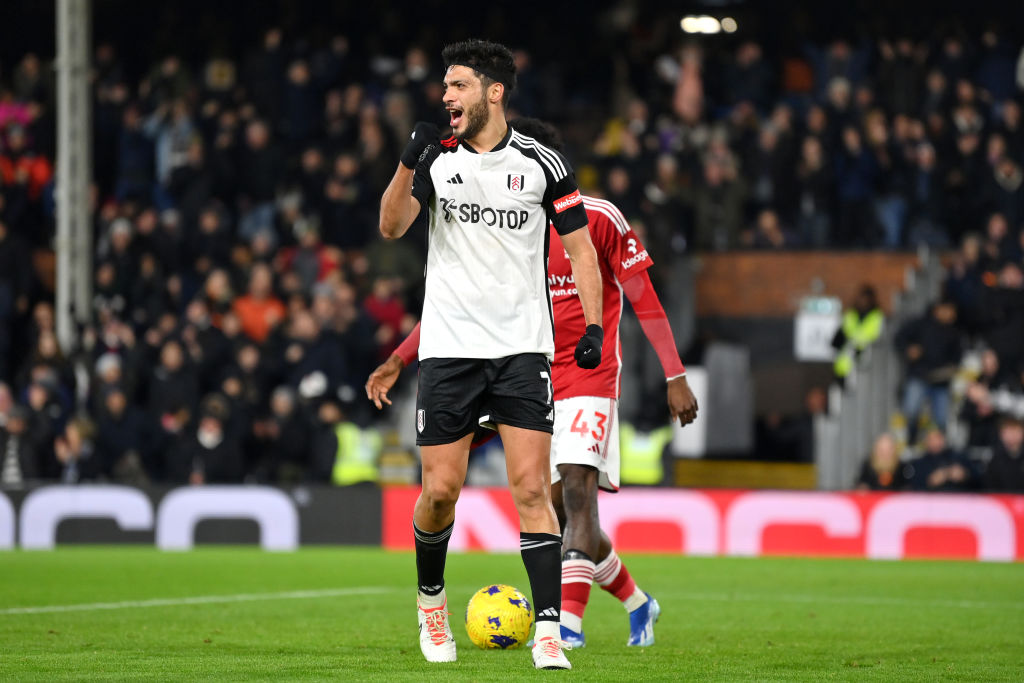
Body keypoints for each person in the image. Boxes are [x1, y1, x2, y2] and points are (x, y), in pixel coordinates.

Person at [370, 115, 696, 654]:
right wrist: (402, 358)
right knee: (562, 510)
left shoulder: (597, 218)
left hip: (589, 376)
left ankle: (564, 625)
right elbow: (461, 305)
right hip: (525, 371)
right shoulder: (505, 228)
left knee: (576, 492)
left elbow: (643, 295)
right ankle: (638, 601)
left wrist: (675, 373)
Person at [375, 41, 604, 670]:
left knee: (533, 489)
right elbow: (392, 227)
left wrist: (593, 326)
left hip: (520, 349)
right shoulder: (437, 159)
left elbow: (581, 251)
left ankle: (550, 634)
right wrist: (404, 163)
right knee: (440, 492)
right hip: (449, 350)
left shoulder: (543, 164)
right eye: (445, 87)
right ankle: (431, 607)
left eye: (457, 86)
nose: (446, 96)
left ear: (492, 92)